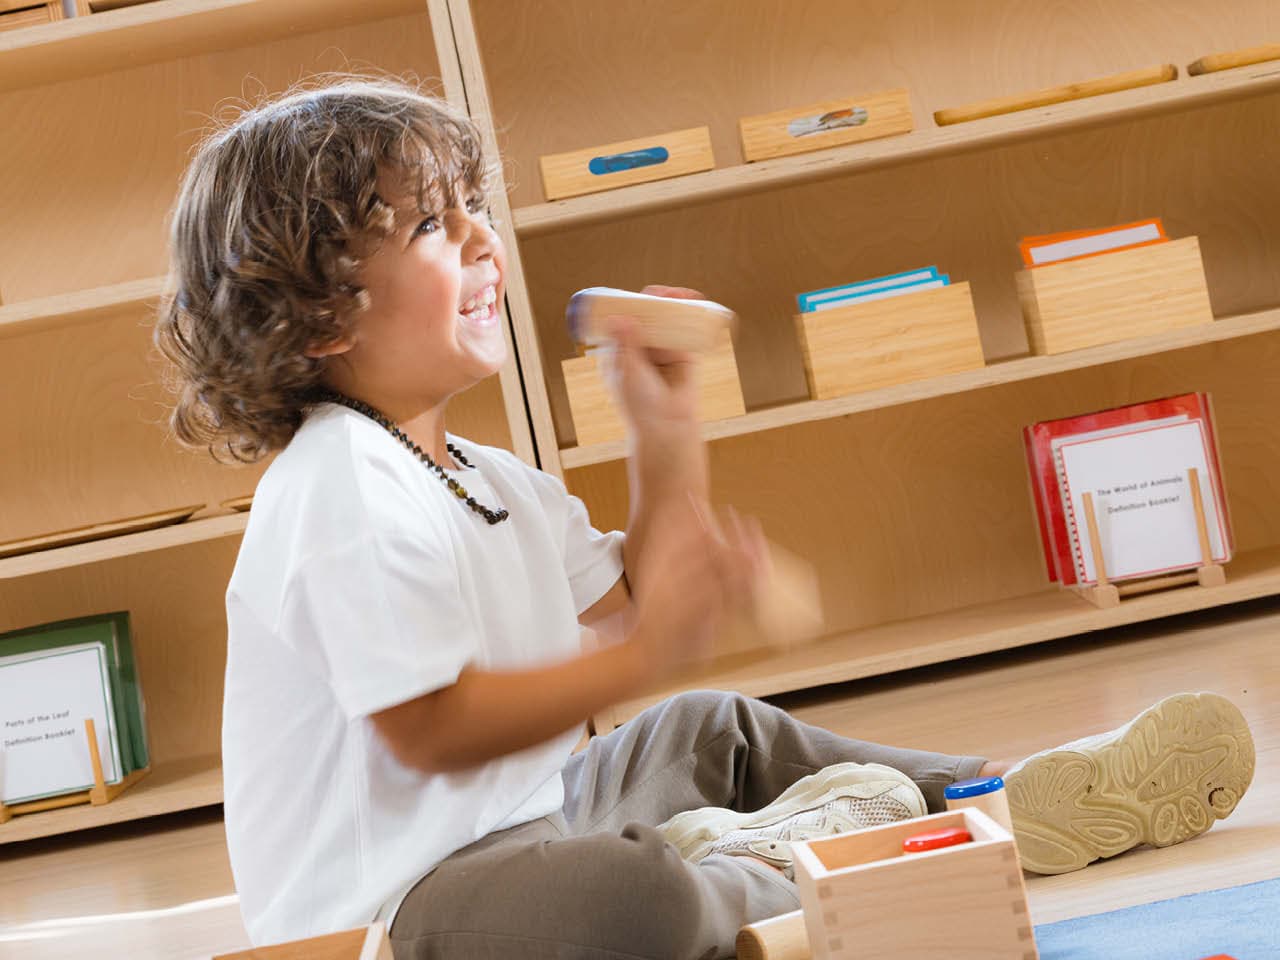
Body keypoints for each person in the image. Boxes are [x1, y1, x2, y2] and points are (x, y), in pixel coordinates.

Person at [154, 77, 1256, 960]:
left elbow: (627, 593)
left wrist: (662, 428)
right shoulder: (337, 486)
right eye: (434, 228)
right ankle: (805, 857)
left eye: (472, 206)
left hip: (530, 826)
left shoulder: (481, 472)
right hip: (399, 917)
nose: (486, 241)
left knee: (710, 727)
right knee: (626, 902)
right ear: (312, 318)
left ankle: (990, 796)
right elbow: (432, 729)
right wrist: (643, 655)